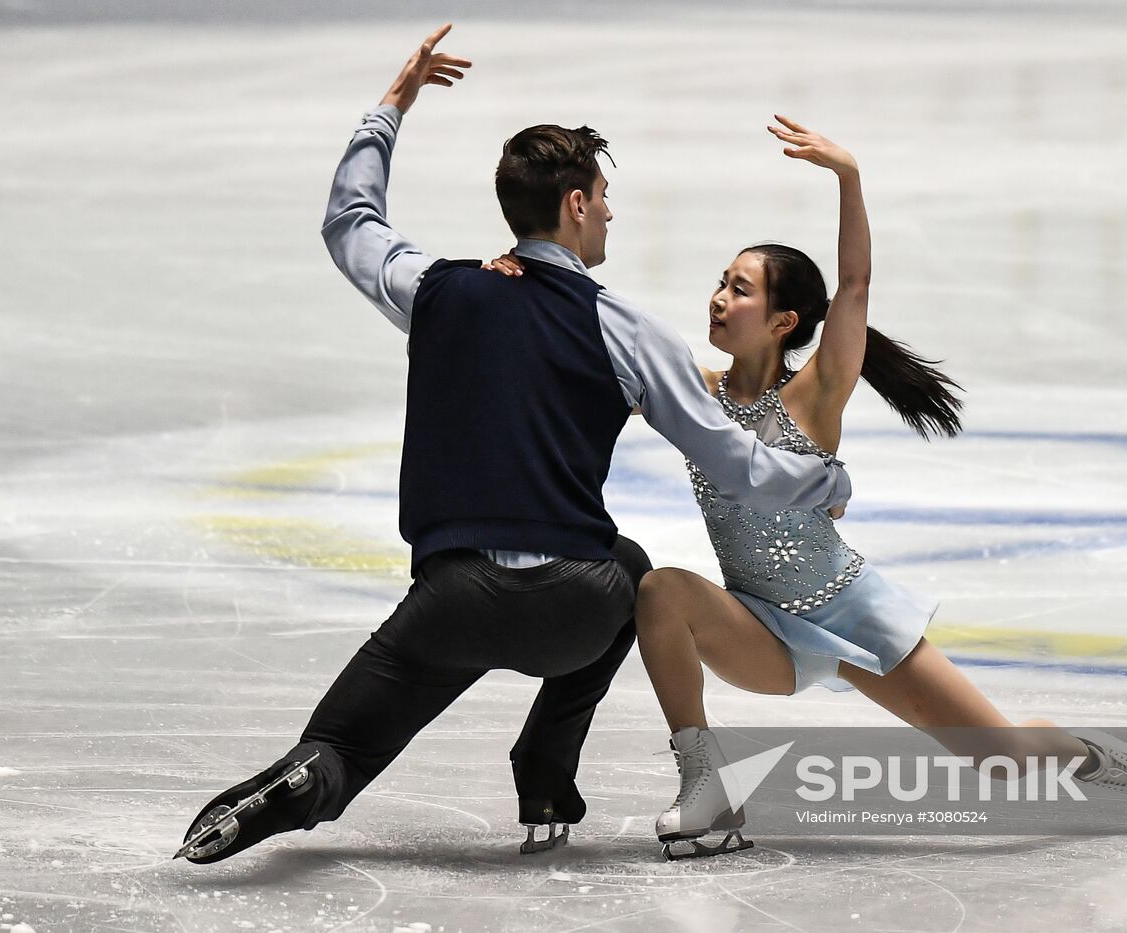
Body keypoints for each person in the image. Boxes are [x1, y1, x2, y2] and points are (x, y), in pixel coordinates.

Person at [176, 25, 852, 864]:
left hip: (450, 601)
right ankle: (544, 770)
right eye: (601, 196)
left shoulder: (439, 290)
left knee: (345, 747)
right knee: (635, 571)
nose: (609, 210)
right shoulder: (630, 332)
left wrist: (394, 102)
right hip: (574, 608)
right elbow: (736, 463)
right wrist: (820, 480)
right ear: (574, 204)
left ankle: (308, 778)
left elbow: (349, 221)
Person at [491, 116, 1127, 861]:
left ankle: (1100, 757)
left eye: (739, 288)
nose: (719, 299)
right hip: (760, 626)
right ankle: (708, 782)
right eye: (719, 283)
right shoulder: (690, 393)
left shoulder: (817, 392)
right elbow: (577, 349)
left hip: (850, 611)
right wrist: (516, 273)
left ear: (784, 320)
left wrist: (848, 176)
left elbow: (854, 284)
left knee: (1002, 760)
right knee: (660, 587)